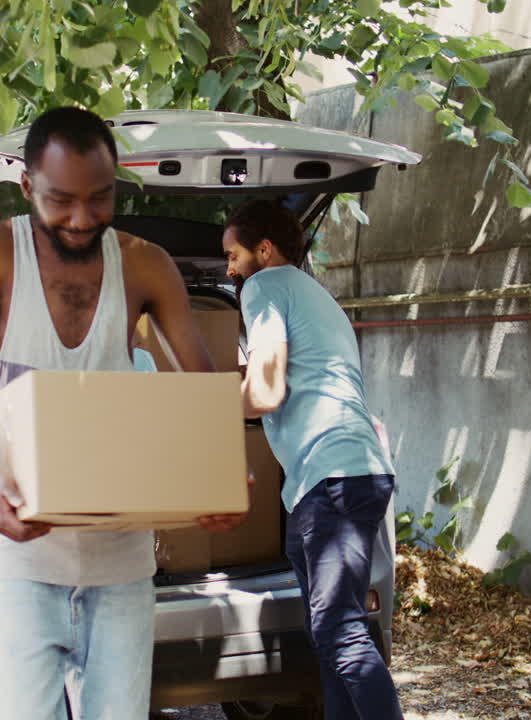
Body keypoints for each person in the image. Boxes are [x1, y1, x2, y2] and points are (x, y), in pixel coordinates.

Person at [0, 106, 245, 720]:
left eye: (100, 200)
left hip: (121, 559)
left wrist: (223, 472)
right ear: (26, 187)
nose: (82, 218)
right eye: (61, 200)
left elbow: (204, 386)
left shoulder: (145, 263)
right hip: (23, 558)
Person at [222, 198, 403, 719]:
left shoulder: (265, 287)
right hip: (339, 475)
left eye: (234, 255)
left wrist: (206, 409)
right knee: (329, 632)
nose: (229, 269)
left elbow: (267, 390)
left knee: (339, 631)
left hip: (332, 475)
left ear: (264, 249)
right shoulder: (316, 296)